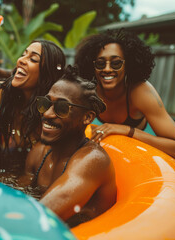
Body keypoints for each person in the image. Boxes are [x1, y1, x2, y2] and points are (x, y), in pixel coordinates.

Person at [75, 29, 175, 164]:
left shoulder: (141, 92)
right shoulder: (90, 90)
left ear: (127, 65)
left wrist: (127, 130)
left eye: (116, 63)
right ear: (93, 67)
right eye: (101, 63)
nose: (107, 69)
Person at [22, 66, 116, 227]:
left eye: (62, 108)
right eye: (45, 103)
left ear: (87, 117)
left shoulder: (93, 160)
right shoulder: (38, 153)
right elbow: (18, 195)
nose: (47, 114)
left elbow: (41, 216)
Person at [0, 40, 66, 173]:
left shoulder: (51, 110)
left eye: (33, 59)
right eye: (24, 54)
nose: (21, 60)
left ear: (47, 73)